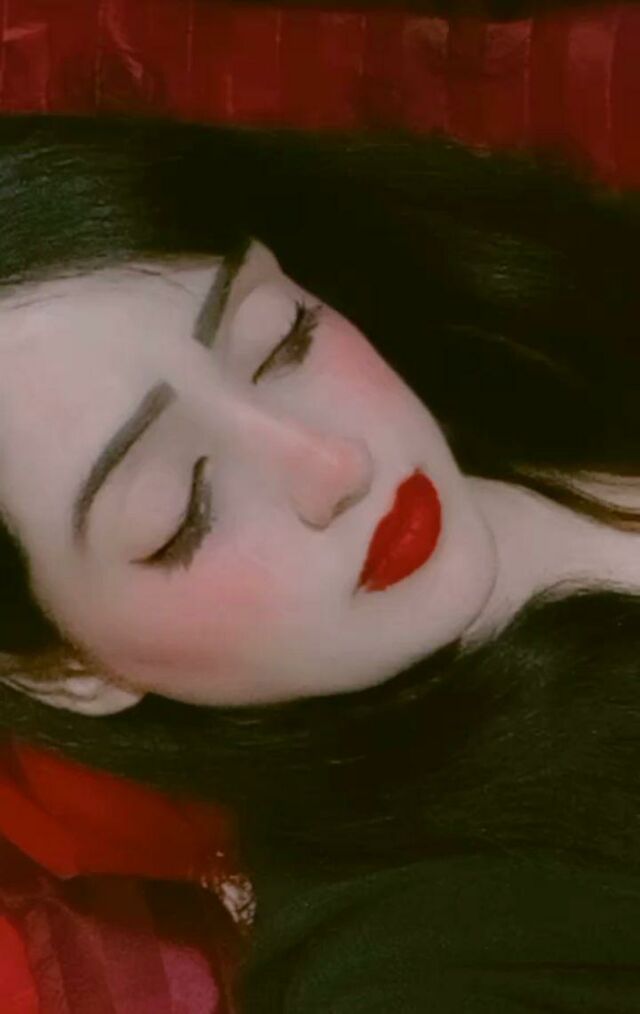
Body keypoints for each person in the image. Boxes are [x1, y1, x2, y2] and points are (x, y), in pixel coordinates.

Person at [0, 113, 638, 1011]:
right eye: (179, 510)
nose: (334, 464)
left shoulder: (523, 302)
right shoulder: (430, 946)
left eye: (279, 339)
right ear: (65, 669)